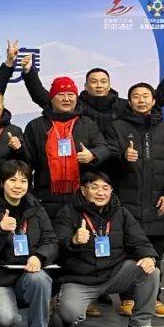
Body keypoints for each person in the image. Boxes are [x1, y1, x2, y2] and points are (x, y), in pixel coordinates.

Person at [54, 171, 163, 327]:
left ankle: (140, 323)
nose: (100, 192)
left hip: (114, 273)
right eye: (94, 187)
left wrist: (149, 256)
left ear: (111, 190)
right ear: (83, 190)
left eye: (105, 188)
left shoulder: (121, 213)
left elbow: (139, 241)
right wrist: (73, 241)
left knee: (150, 270)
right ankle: (61, 304)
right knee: (69, 315)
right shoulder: (68, 213)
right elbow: (56, 247)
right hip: (80, 279)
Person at [107, 82, 164, 319]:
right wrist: (123, 157)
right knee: (127, 253)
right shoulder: (117, 127)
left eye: (145, 96)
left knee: (155, 254)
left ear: (153, 101)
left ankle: (155, 298)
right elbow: (106, 161)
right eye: (135, 96)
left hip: (158, 203)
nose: (141, 100)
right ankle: (128, 299)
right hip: (126, 203)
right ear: (129, 101)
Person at [0, 160, 57, 327]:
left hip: (27, 274)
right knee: (5, 318)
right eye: (12, 180)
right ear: (2, 182)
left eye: (23, 181)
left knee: (41, 278)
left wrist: (39, 257)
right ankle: (0, 318)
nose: (18, 186)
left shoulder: (37, 210)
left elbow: (51, 241)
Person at [18, 51, 164, 137]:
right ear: (86, 86)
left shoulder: (123, 105)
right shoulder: (76, 105)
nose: (99, 85)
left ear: (109, 84)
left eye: (103, 81)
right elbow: (43, 97)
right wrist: (28, 71)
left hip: (118, 161)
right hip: (85, 160)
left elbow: (157, 99)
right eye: (94, 81)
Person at [22, 75, 109, 221]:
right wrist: (18, 149)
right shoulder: (36, 126)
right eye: (61, 95)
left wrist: (92, 155)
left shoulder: (87, 123)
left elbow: (104, 148)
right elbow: (27, 161)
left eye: (71, 95)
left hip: (80, 196)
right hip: (45, 196)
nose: (67, 99)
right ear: (51, 98)